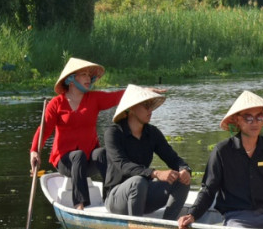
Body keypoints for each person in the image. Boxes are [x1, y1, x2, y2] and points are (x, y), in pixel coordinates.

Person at [177, 91, 263, 229]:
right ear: (237, 120)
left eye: (259, 117)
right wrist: (192, 215)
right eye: (248, 118)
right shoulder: (222, 151)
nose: (255, 123)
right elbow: (208, 190)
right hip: (237, 220)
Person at [29, 57, 124, 210]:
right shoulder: (56, 103)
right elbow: (43, 130)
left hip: (88, 161)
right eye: (84, 74)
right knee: (77, 155)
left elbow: (118, 96)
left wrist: (142, 93)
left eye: (89, 75)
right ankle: (79, 205)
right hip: (65, 161)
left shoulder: (94, 98)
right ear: (71, 79)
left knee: (102, 153)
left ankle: (112, 198)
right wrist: (34, 151)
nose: (89, 78)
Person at [102, 85, 191, 219]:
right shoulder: (113, 133)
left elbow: (173, 158)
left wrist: (184, 170)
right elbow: (123, 165)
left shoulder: (152, 132)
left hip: (143, 194)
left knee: (182, 181)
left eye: (151, 106)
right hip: (116, 198)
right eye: (145, 106)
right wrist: (155, 173)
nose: (150, 110)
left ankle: (168, 226)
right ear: (132, 108)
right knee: (138, 181)